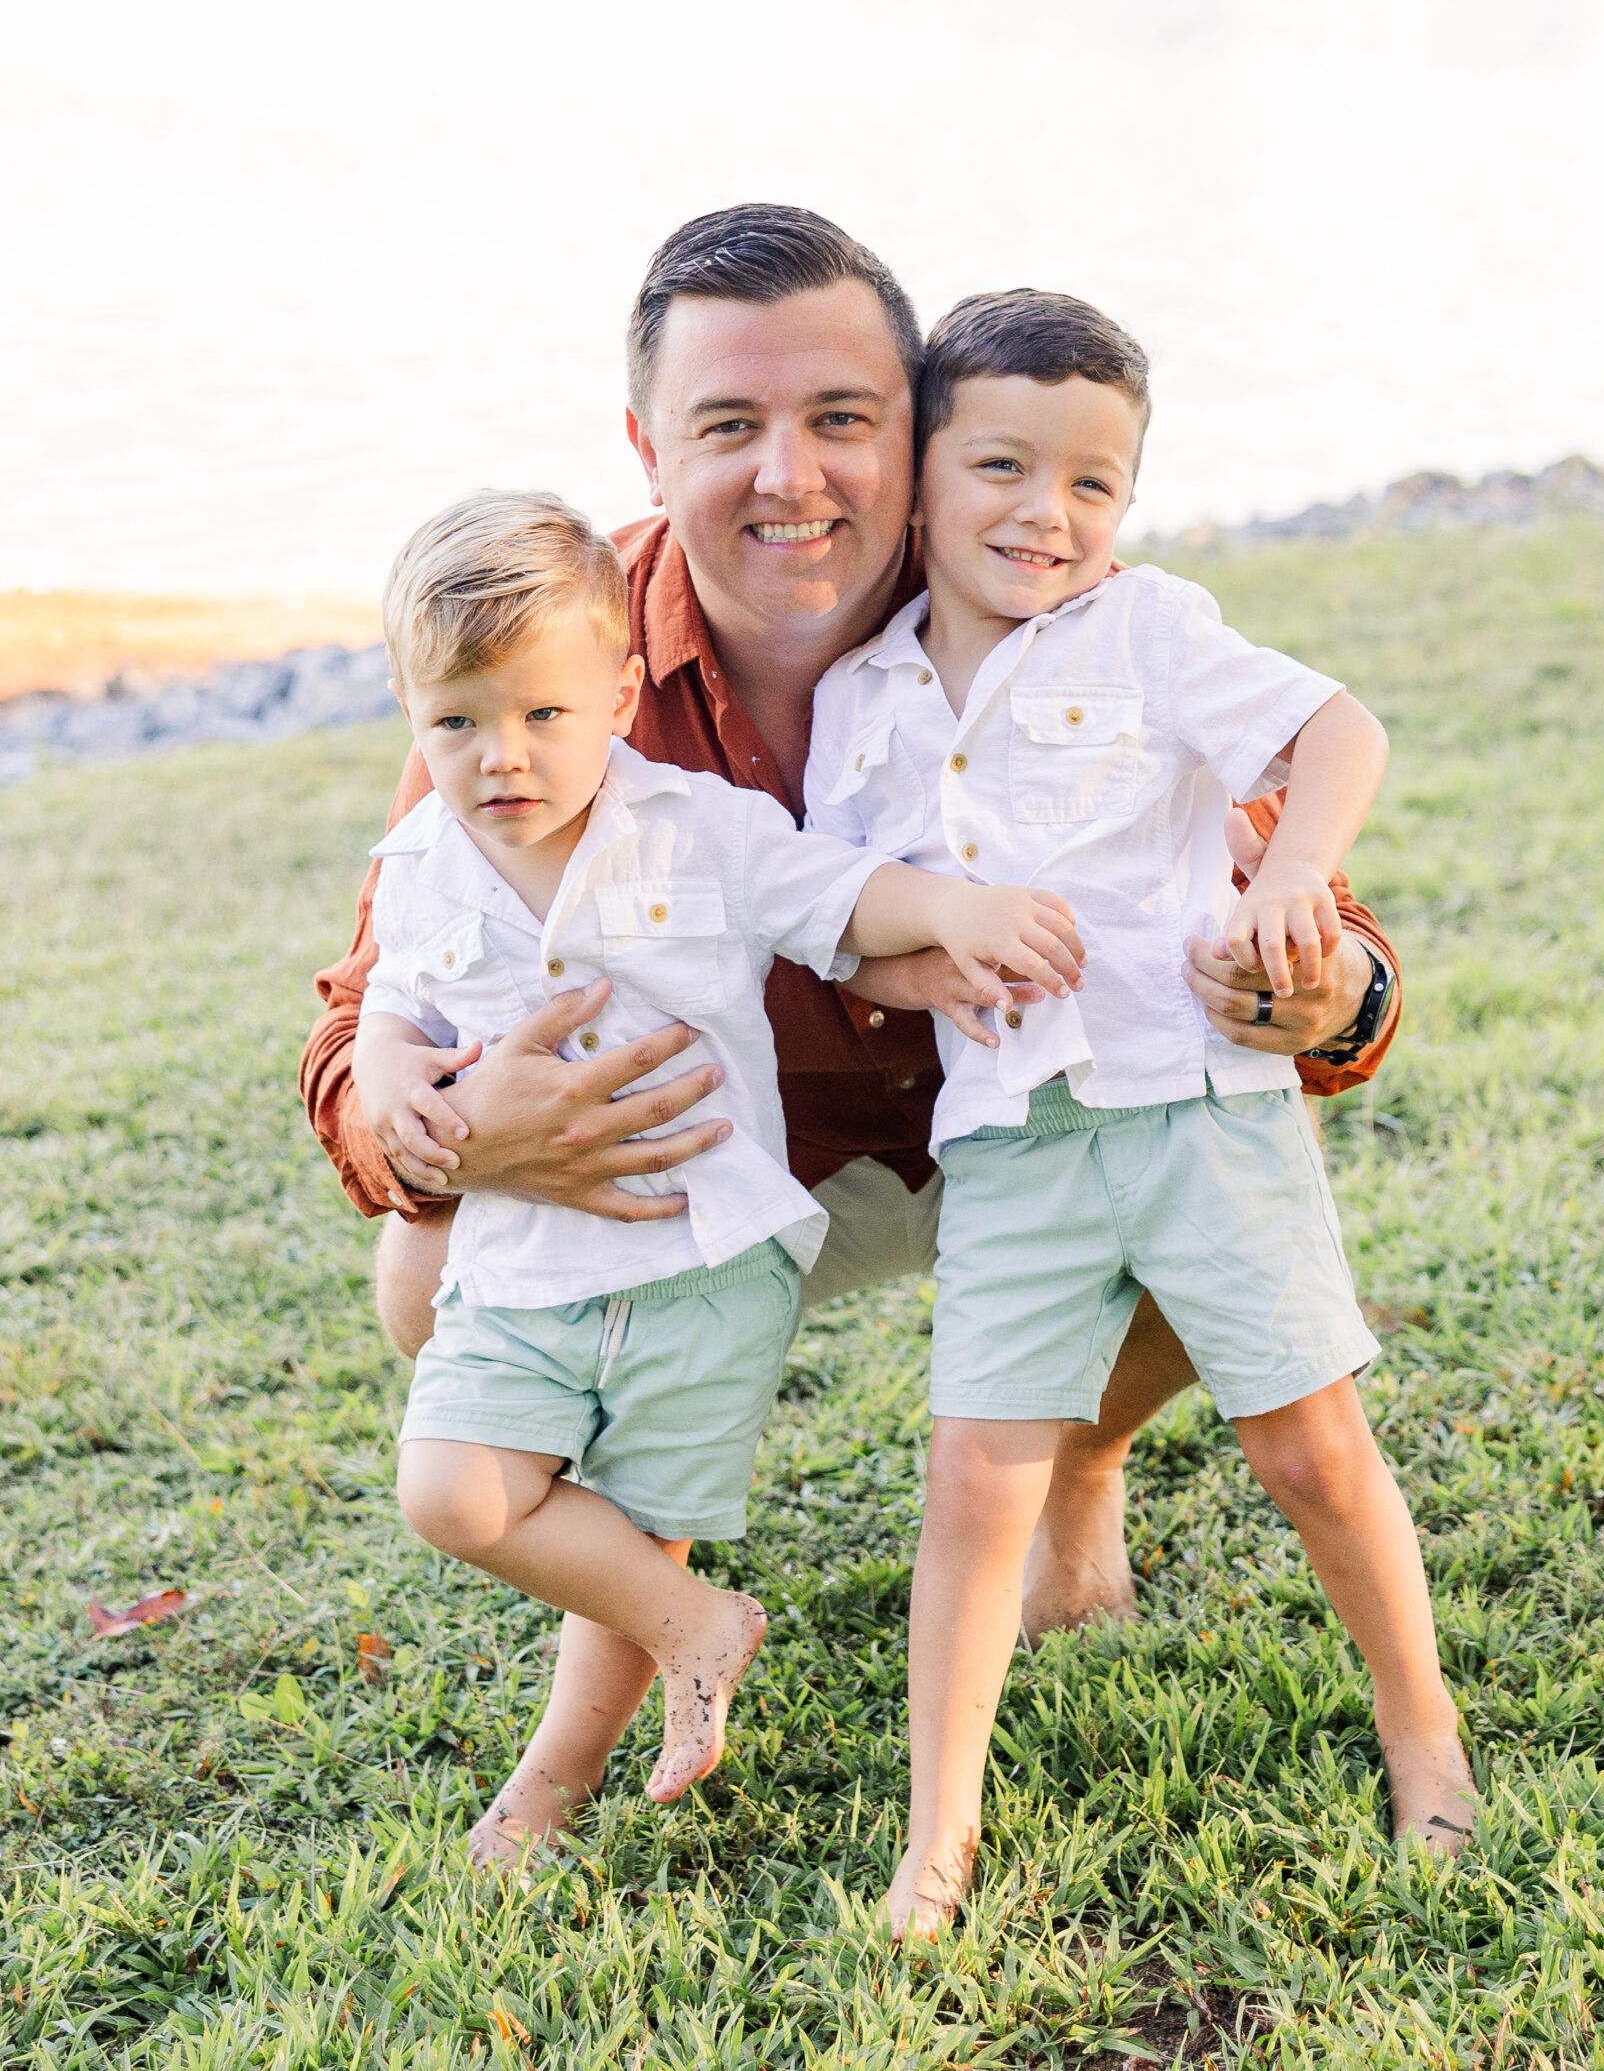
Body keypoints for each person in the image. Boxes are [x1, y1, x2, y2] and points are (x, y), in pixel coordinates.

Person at [300, 202, 1402, 1727]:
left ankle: (1082, 1451)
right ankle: (652, 1605)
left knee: (1201, 1143)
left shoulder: (1038, 593)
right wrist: (416, 1117)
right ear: (648, 446)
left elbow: (1312, 903)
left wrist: (1330, 991)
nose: (789, 475)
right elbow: (367, 1007)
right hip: (734, 1168)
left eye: (842, 420)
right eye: (729, 423)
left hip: (1024, 1129)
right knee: (425, 1269)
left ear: (923, 435)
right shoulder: (549, 662)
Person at [804, 289, 1474, 1937]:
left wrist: (1297, 876)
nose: (1049, 513)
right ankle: (937, 1839)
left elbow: (1338, 729)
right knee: (977, 1479)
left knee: (1309, 1445)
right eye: (1007, 467)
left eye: (1094, 484)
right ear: (921, 472)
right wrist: (923, 971)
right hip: (1014, 1141)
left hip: (1201, 1111)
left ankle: (1429, 1747)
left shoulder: (1150, 628)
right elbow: (838, 930)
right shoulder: (862, 698)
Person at [359, 487, 1086, 1857]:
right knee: (452, 1494)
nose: (499, 757)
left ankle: (549, 1789)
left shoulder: (696, 828)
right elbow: (394, 1003)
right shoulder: (421, 862)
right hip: (524, 1264)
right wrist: (398, 1078)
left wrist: (957, 919)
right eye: (453, 722)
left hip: (702, 1259)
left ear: (620, 694)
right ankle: (699, 1627)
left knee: (636, 1531)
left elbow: (846, 898)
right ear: (409, 716)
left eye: (541, 716)